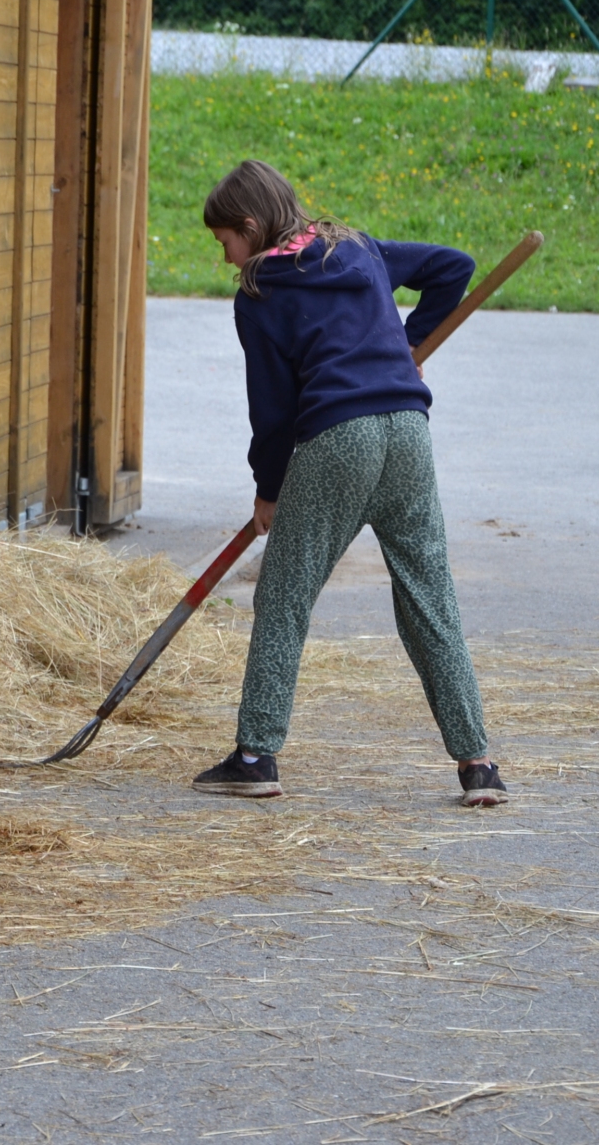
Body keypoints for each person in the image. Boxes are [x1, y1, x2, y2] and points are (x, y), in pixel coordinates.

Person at [191, 160, 507, 808]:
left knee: (285, 594)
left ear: (249, 226)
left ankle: (254, 757)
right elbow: (454, 267)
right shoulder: (356, 247)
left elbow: (272, 411)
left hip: (339, 438)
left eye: (225, 242)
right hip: (409, 431)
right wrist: (405, 349)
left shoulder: (259, 293)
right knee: (429, 596)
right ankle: (479, 765)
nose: (226, 258)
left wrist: (268, 488)